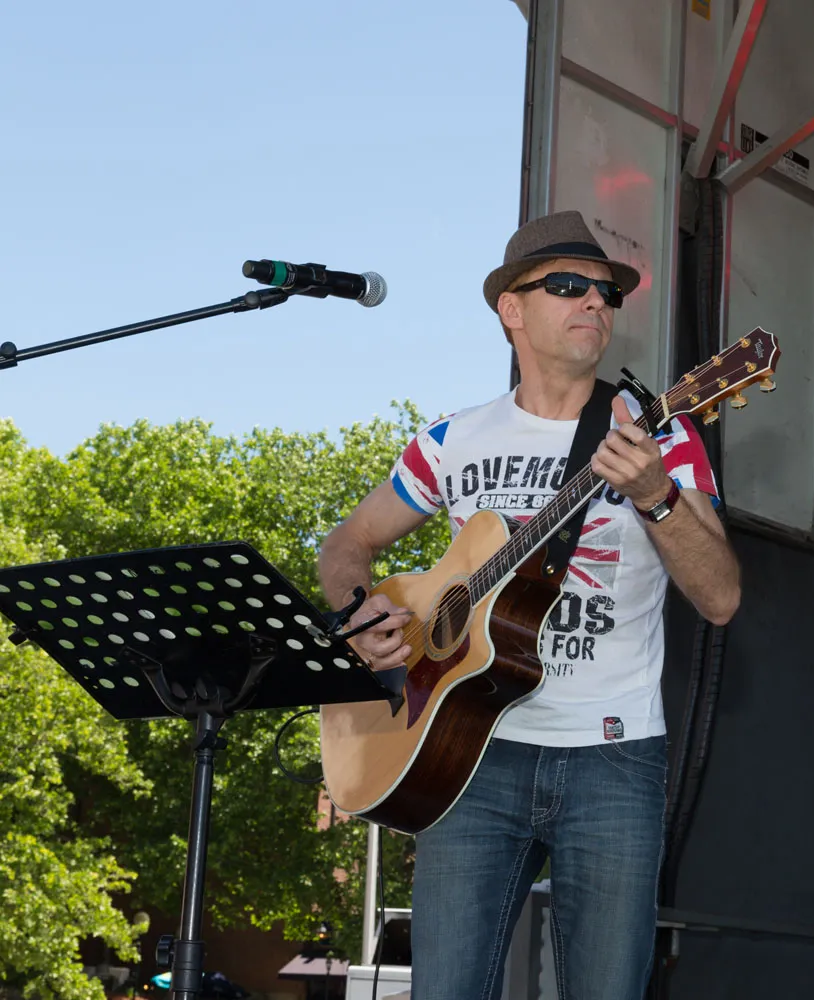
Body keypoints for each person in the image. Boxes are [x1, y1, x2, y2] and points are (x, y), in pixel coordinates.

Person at [318, 210, 740, 1000]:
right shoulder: (449, 440)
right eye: (570, 286)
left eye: (607, 292)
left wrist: (656, 493)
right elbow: (346, 543)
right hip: (465, 755)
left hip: (613, 757)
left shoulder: (661, 438)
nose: (596, 302)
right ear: (511, 308)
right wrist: (360, 611)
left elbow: (720, 597)